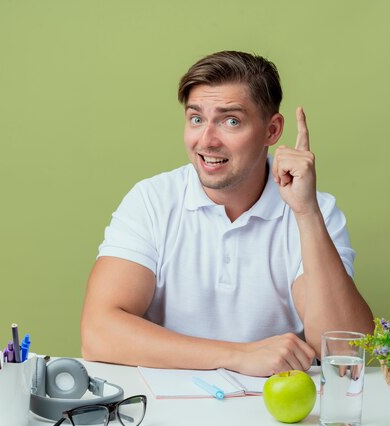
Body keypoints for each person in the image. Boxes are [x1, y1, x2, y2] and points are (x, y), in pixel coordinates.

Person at [81, 51, 373, 377]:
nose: (207, 140)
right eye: (196, 119)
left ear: (272, 131)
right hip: (165, 414)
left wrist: (306, 214)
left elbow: (347, 353)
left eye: (230, 121)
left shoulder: (317, 211)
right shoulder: (151, 201)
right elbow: (97, 333)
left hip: (276, 417)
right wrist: (238, 355)